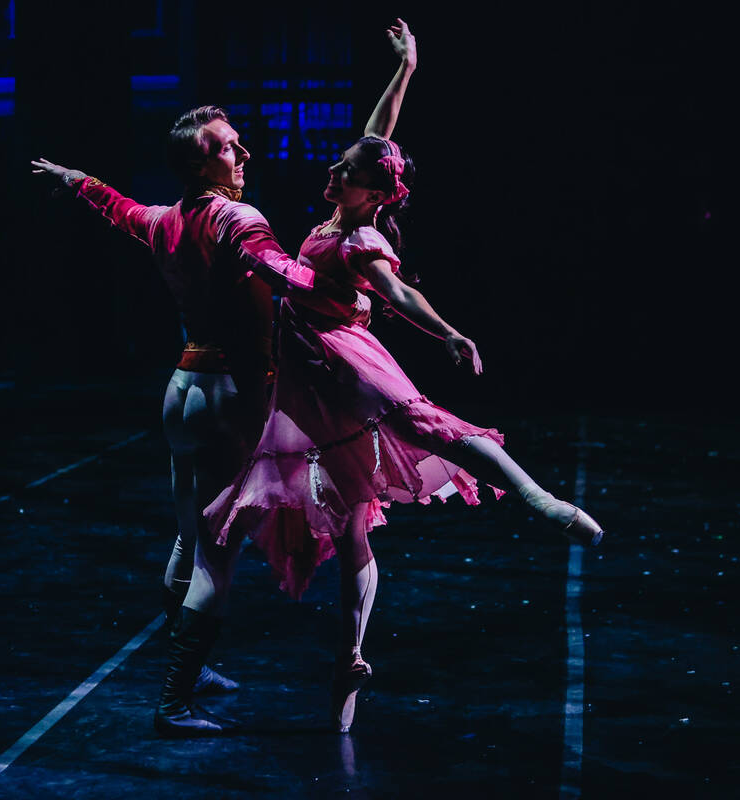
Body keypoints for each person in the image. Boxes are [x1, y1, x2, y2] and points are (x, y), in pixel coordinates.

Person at [201, 20, 605, 734]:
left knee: (427, 425)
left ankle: (539, 499)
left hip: (340, 360)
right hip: (309, 380)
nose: (333, 171)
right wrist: (407, 68)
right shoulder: (344, 208)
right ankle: (350, 658)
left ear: (370, 192)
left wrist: (447, 332)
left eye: (346, 172)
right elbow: (376, 133)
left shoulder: (363, 238)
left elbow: (399, 295)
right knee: (355, 522)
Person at [32, 98, 355, 735]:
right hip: (228, 395)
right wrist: (353, 292)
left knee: (188, 535)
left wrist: (74, 179)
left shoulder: (165, 220)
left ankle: (192, 670)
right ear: (201, 160)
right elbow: (283, 273)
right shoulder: (239, 218)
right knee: (215, 554)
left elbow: (117, 207)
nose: (244, 154)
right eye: (230, 146)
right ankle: (175, 700)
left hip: (183, 391)